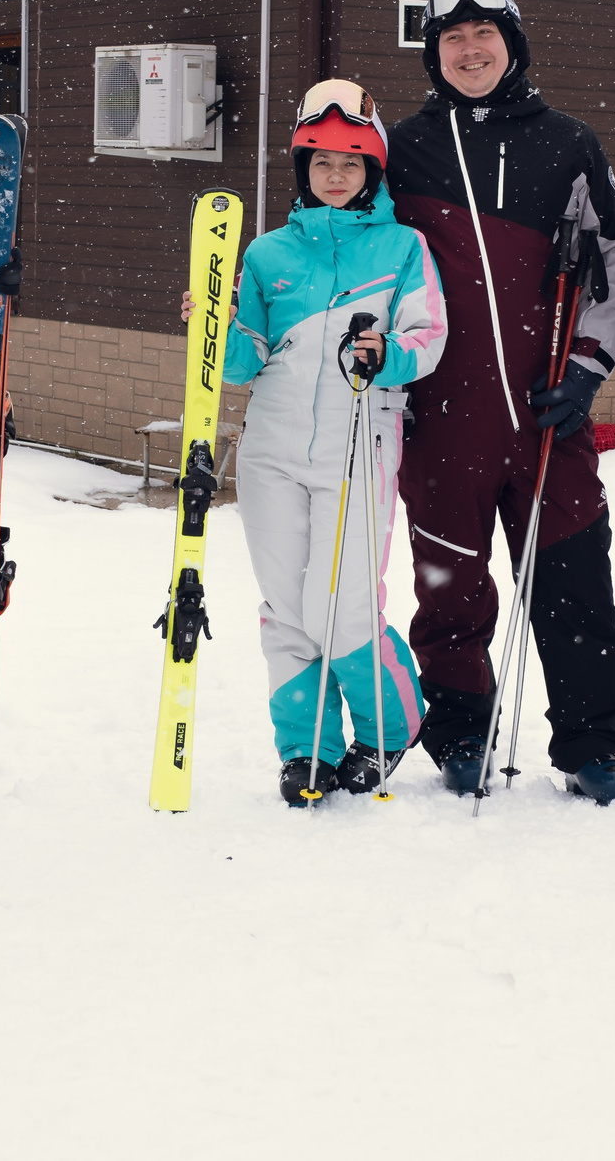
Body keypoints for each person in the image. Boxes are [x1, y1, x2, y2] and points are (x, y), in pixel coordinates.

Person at [386, 0, 615, 804]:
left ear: (513, 41)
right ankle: (461, 733)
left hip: (546, 414)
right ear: (434, 53)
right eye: (452, 38)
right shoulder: (405, 149)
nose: (470, 50)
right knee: (449, 589)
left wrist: (588, 370)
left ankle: (593, 746)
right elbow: (356, 256)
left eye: (484, 34)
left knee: (575, 587)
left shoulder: (567, 141)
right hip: (441, 415)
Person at [215, 80, 446, 805]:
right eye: (322, 161)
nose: (336, 175)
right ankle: (306, 749)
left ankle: (388, 725)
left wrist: (390, 354)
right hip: (272, 447)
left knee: (340, 605)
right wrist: (212, 321)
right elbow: (243, 359)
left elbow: (427, 334)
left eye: (351, 162)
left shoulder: (402, 246)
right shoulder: (267, 254)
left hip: (357, 442)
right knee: (287, 608)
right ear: (303, 168)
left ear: (373, 171)